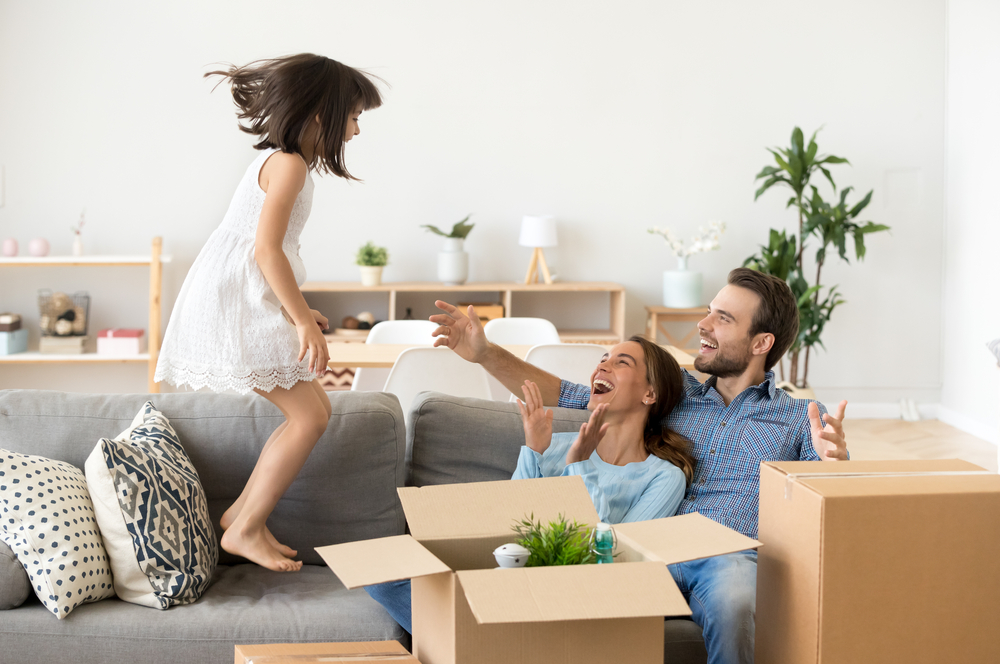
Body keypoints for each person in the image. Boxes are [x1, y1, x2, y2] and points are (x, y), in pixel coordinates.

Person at [428, 267, 849, 664]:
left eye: (722, 319)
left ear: (761, 344)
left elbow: (829, 506)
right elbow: (573, 395)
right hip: (644, 545)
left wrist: (836, 464)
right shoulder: (674, 391)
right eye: (708, 312)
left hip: (723, 557)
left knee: (735, 589)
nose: (702, 326)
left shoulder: (799, 417)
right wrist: (485, 354)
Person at [154, 54, 382, 572]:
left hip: (238, 298)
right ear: (322, 114)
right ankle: (248, 525)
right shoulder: (290, 165)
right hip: (231, 304)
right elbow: (265, 251)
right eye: (353, 115)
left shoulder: (282, 163)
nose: (357, 129)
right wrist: (299, 319)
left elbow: (262, 257)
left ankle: (241, 516)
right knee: (309, 415)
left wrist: (297, 309)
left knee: (312, 413)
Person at [366, 335, 696, 633]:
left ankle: (476, 642)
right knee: (381, 572)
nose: (603, 365)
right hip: (515, 578)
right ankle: (482, 642)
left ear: (650, 393)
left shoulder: (663, 476)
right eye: (603, 359)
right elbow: (511, 523)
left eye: (621, 362)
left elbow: (615, 559)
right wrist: (534, 450)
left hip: (575, 594)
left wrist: (580, 467)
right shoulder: (554, 444)